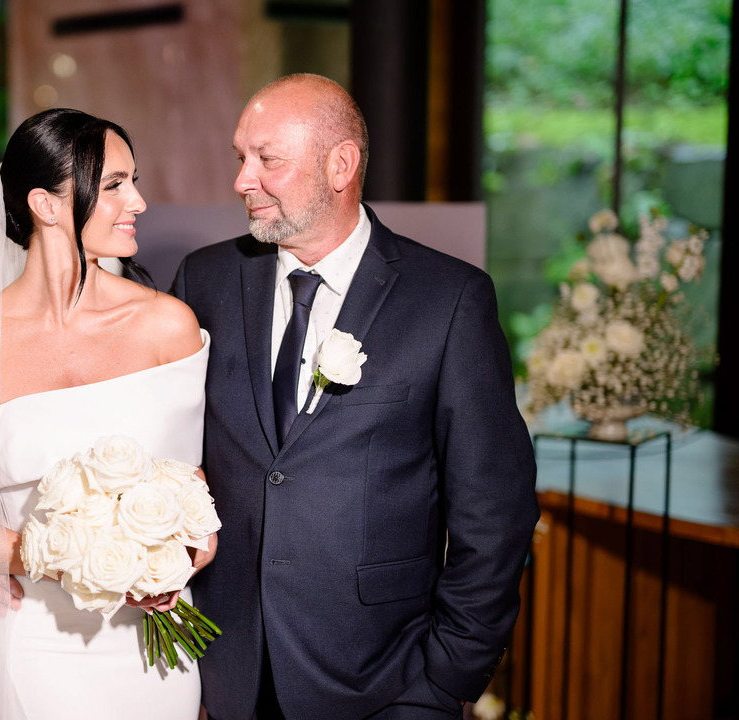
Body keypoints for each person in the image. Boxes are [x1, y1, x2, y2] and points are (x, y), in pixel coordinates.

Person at [172, 74, 538, 719]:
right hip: (224, 674)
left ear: (340, 165)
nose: (242, 180)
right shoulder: (203, 281)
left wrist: (446, 679)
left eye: (268, 160)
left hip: (386, 684)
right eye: (240, 158)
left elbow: (494, 512)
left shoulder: (449, 300)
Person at [0, 108, 213, 720]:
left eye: (135, 180)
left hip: (150, 647)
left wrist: (184, 548)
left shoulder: (166, 324)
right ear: (46, 205)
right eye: (116, 184)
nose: (140, 202)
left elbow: (196, 485)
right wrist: (56, 558)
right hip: (35, 645)